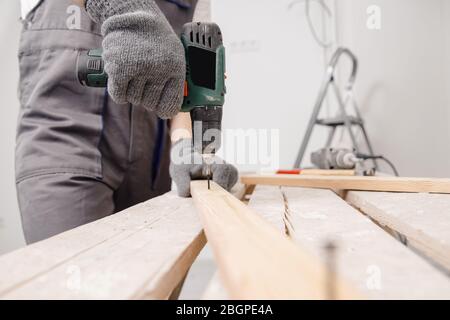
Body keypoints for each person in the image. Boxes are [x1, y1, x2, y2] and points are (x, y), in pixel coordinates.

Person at [16, 0, 238, 244]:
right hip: (64, 138)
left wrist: (184, 145)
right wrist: (120, 6)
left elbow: (188, 77)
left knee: (154, 277)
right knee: (71, 272)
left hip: (153, 157)